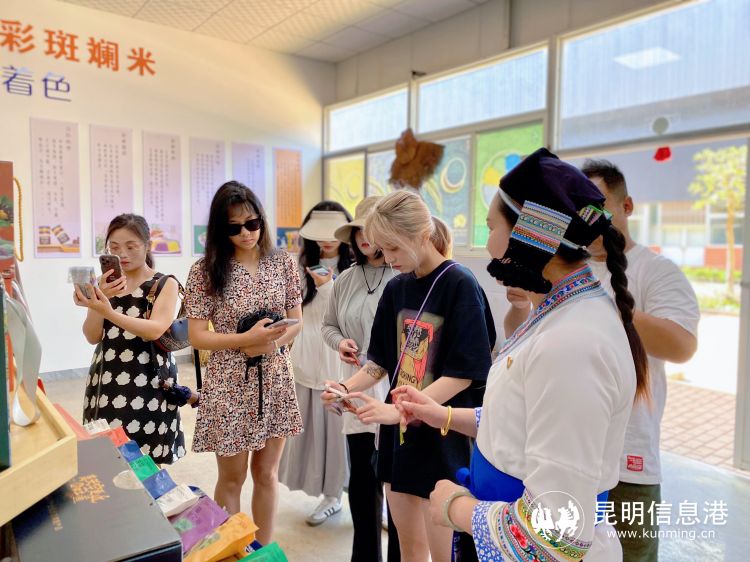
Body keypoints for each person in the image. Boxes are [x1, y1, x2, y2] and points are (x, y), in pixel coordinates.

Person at [394, 148, 649, 561]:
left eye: (491, 227)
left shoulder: (571, 344)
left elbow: (556, 535)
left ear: (528, 235)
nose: (488, 243)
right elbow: (523, 419)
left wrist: (454, 508)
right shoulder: (557, 314)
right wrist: (442, 415)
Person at [323, 190, 496, 562]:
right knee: (409, 548)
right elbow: (379, 363)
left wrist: (403, 409)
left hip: (444, 434)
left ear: (421, 235)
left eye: (394, 248)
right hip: (400, 435)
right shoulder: (396, 288)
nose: (388, 259)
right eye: (383, 250)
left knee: (444, 553)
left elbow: (463, 374)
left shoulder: (459, 284)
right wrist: (344, 387)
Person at [582, 159, 699, 561]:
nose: (589, 222)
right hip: (570, 452)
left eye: (598, 209)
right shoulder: (567, 271)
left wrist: (612, 308)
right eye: (580, 212)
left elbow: (682, 346)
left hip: (627, 463)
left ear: (626, 206)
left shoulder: (655, 270)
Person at [185, 181, 303, 545]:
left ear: (262, 220)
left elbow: (297, 321)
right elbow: (197, 336)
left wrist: (269, 345)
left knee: (266, 474)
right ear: (220, 230)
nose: (246, 233)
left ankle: (263, 550)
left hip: (276, 377)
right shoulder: (205, 270)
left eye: (252, 224)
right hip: (228, 383)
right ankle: (232, 550)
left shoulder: (283, 262)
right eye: (234, 228)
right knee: (232, 478)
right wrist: (246, 341)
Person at [321, 196, 400, 562]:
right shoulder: (346, 280)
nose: (365, 238)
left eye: (372, 230)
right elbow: (328, 326)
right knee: (363, 480)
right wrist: (340, 343)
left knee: (397, 484)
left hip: (396, 388)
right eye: (358, 231)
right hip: (354, 385)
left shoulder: (403, 277)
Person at [76, 213, 185, 464]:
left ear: (147, 245)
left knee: (148, 463)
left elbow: (154, 329)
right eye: (114, 248)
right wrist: (98, 301)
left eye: (131, 246)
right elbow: (92, 336)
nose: (122, 254)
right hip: (107, 380)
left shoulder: (164, 284)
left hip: (150, 382)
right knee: (106, 460)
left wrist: (108, 311)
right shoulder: (104, 284)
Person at [279, 201, 353, 526]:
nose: (326, 239)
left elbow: (343, 317)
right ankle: (331, 495)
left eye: (333, 231)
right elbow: (292, 314)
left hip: (342, 362)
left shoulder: (356, 267)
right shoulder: (298, 266)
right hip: (307, 359)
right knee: (318, 435)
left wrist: (328, 286)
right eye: (319, 231)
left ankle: (366, 496)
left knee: (348, 433)